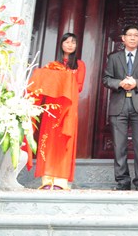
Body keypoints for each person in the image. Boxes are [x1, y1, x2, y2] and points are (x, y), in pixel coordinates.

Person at [28, 33, 86, 190]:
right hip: (52, 109)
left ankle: (61, 181)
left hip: (68, 107)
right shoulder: (52, 65)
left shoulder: (79, 65)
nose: (70, 45)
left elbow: (79, 86)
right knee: (48, 141)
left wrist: (66, 79)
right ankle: (47, 179)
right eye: (67, 42)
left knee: (64, 142)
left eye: (73, 42)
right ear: (61, 44)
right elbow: (44, 84)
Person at [103, 25, 138, 191]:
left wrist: (136, 83)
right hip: (118, 106)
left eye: (136, 35)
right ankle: (122, 181)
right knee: (119, 146)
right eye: (130, 35)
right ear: (123, 38)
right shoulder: (114, 58)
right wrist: (120, 83)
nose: (133, 38)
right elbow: (106, 79)